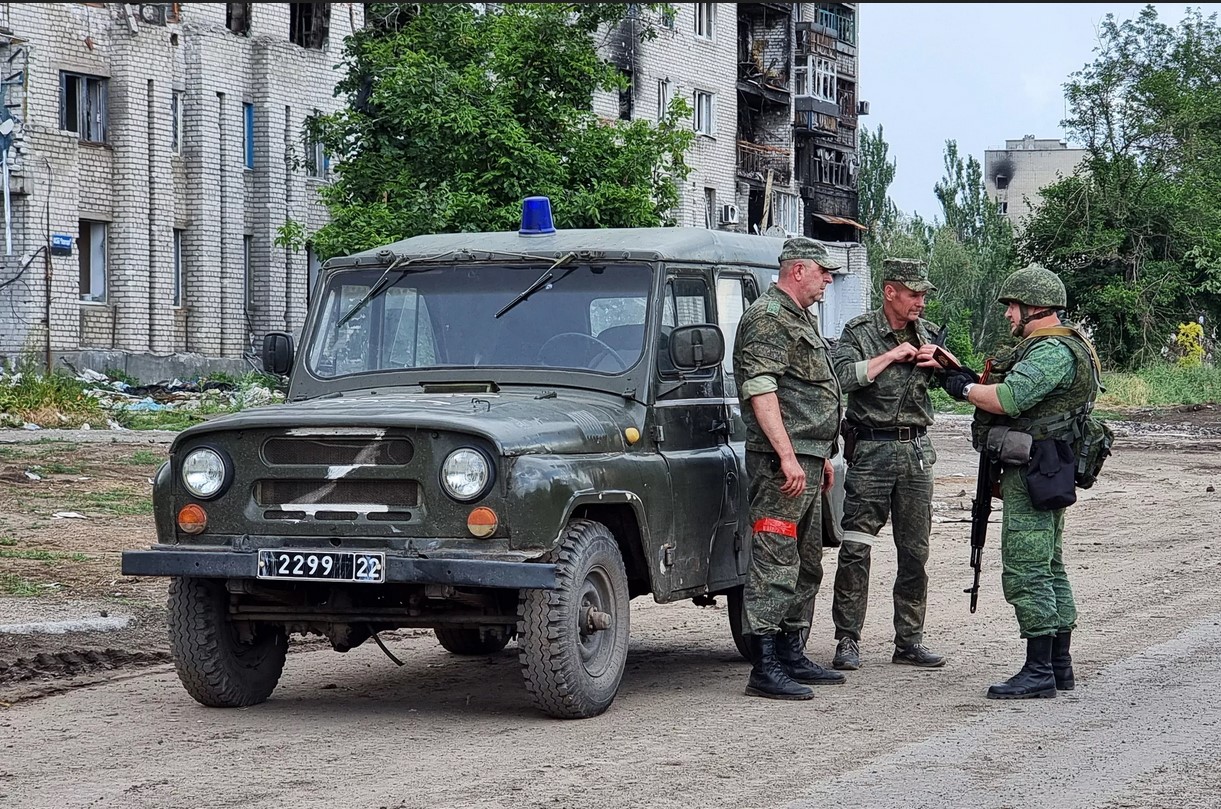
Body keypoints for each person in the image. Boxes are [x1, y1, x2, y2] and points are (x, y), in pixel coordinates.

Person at [943, 264, 1102, 699]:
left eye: (1013, 307)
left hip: (1034, 468)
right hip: (1047, 466)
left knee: (1027, 565)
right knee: (1049, 563)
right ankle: (1058, 665)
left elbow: (1010, 398)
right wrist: (961, 374)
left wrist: (961, 390)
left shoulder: (1052, 351)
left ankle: (1039, 672)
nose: (1009, 316)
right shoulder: (1058, 345)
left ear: (1033, 307)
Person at [731, 236, 847, 700]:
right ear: (799, 270)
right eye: (823, 272)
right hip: (783, 463)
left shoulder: (798, 317)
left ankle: (791, 650)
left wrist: (818, 456)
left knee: (806, 560)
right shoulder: (768, 318)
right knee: (774, 559)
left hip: (807, 457)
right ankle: (764, 665)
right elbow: (762, 391)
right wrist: (786, 456)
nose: (828, 280)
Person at [828, 258, 956, 672]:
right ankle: (847, 639)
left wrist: (945, 363)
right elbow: (841, 377)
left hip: (916, 451)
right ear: (890, 292)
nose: (920, 301)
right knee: (856, 547)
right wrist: (890, 355)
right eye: (914, 293)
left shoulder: (930, 333)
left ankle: (909, 639)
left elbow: (953, 386)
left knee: (915, 551)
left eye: (923, 294)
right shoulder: (860, 332)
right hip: (872, 450)